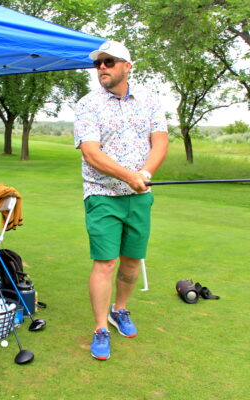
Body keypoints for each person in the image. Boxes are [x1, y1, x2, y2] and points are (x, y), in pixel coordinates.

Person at [73, 40, 168, 361]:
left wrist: (145, 173)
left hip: (139, 197)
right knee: (106, 263)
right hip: (102, 195)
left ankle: (120, 309)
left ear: (127, 66)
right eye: (98, 63)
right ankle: (101, 327)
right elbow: (91, 152)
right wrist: (129, 176)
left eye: (109, 61)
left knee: (131, 261)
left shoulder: (150, 101)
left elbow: (160, 143)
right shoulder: (88, 104)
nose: (102, 67)